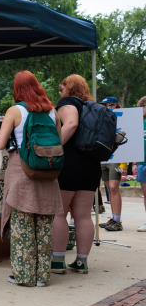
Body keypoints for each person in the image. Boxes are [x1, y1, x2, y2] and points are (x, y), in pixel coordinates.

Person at [0, 72, 63, 287]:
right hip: (48, 172)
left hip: (22, 170)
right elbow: (58, 142)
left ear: (17, 89)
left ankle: (24, 276)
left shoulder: (15, 111)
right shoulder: (52, 111)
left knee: (22, 226)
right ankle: (42, 276)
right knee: (44, 226)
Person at [51, 75, 103, 274]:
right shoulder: (92, 106)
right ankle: (82, 261)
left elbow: (71, 124)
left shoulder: (68, 102)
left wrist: (54, 148)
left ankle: (57, 261)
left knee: (59, 213)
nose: (60, 92)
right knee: (82, 216)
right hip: (91, 164)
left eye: (61, 87)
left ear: (68, 87)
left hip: (69, 163)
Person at [98, 97, 124, 231]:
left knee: (114, 187)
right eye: (104, 105)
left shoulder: (123, 118)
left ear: (116, 105)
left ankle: (118, 220)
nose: (107, 107)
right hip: (104, 157)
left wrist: (124, 164)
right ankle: (114, 218)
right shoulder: (103, 119)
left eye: (109, 104)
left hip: (117, 158)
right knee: (108, 187)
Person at [134, 96, 146, 233]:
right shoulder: (141, 123)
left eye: (143, 106)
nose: (141, 109)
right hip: (143, 163)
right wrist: (135, 163)